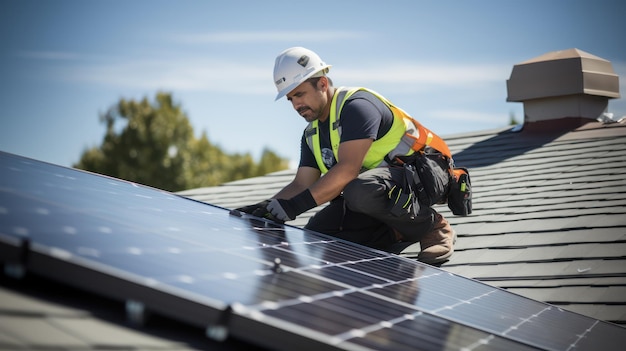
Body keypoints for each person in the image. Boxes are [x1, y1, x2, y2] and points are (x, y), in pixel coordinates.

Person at [236, 47, 457, 264]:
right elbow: (301, 184)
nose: (296, 105)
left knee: (359, 190)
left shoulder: (356, 106)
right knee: (321, 233)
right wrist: (266, 207)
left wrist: (292, 208)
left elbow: (348, 169)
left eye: (300, 94)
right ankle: (396, 232)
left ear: (322, 84)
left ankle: (433, 226)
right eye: (291, 99)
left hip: (424, 176)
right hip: (382, 190)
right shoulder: (311, 135)